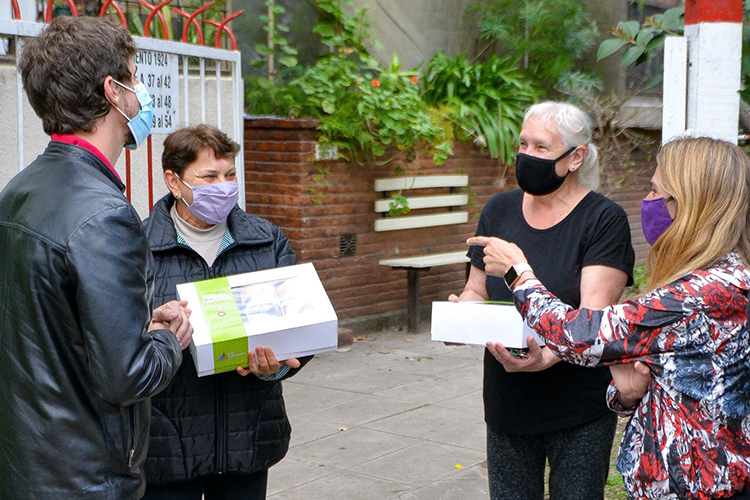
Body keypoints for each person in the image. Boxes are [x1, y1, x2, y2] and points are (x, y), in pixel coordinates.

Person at [470, 136, 750, 499]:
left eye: (654, 191)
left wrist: (517, 273)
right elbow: (696, 388)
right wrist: (630, 395)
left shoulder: (706, 291)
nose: (647, 202)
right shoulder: (719, 276)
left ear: (687, 205)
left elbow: (583, 335)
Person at [0, 16, 191, 499]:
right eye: (135, 75)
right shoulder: (106, 215)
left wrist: (133, 321)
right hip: (85, 477)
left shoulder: (18, 190)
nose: (142, 91)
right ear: (113, 91)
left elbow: (49, 324)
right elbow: (128, 375)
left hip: (28, 463)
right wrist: (169, 339)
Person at [452, 101, 635, 499]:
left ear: (575, 158)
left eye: (541, 147)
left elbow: (592, 323)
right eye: (523, 144)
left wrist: (545, 358)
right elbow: (476, 289)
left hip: (577, 406)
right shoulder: (499, 210)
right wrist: (461, 316)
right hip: (507, 400)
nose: (526, 156)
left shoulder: (603, 220)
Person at [141, 124, 311, 500]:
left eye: (230, 174)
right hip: (168, 445)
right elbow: (117, 338)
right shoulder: (139, 249)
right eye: (209, 176)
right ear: (173, 181)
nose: (223, 185)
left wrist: (276, 367)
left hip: (247, 440)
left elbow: (302, 323)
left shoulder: (266, 239)